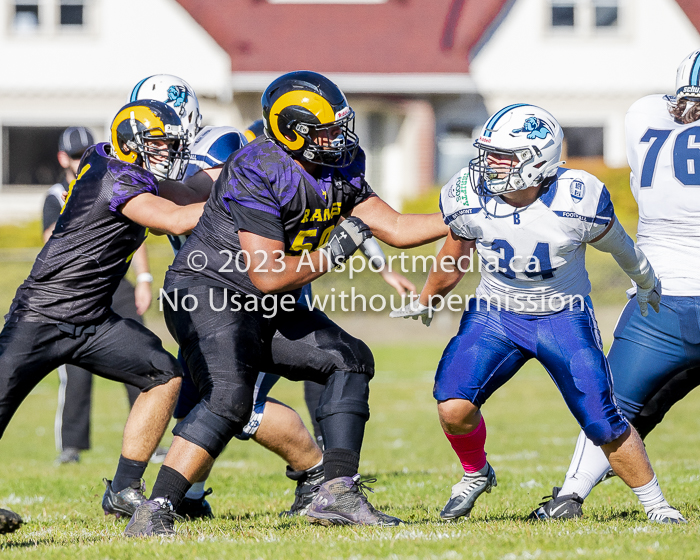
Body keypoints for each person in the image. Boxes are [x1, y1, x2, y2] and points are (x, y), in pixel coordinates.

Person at [124, 70, 447, 536]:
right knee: (230, 397)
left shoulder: (342, 161)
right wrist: (336, 250)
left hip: (263, 299)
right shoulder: (257, 167)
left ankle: (337, 493)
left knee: (349, 359)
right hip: (208, 289)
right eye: (328, 130)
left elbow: (393, 227)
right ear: (295, 132)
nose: (341, 138)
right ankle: (156, 508)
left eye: (341, 125)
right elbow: (269, 273)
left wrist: (461, 216)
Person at [391, 103, 685, 524]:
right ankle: (475, 474)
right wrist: (427, 299)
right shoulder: (468, 195)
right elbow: (454, 257)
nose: (487, 165)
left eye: (501, 157)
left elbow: (620, 244)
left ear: (537, 161)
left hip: (561, 317)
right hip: (496, 314)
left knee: (603, 421)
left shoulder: (576, 199)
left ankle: (656, 504)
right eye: (486, 153)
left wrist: (645, 280)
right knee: (452, 406)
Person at [0, 99, 206, 526]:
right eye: (159, 145)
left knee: (163, 376)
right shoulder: (119, 180)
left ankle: (125, 490)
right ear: (132, 145)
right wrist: (249, 202)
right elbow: (178, 217)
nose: (167, 153)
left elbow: (190, 193)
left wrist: (241, 181)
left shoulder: (109, 156)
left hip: (92, 319)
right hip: (43, 313)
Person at [530, 51, 700, 521]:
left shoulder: (644, 117)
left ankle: (569, 496)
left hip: (659, 303)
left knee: (612, 407)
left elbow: (668, 108)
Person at [45, 126, 157, 465]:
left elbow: (134, 234)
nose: (81, 161)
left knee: (142, 358)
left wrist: (144, 280)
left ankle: (147, 441)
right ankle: (71, 446)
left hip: (116, 284)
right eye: (75, 156)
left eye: (85, 155)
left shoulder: (114, 181)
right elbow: (51, 238)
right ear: (63, 158)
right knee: (76, 369)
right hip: (75, 290)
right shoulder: (57, 194)